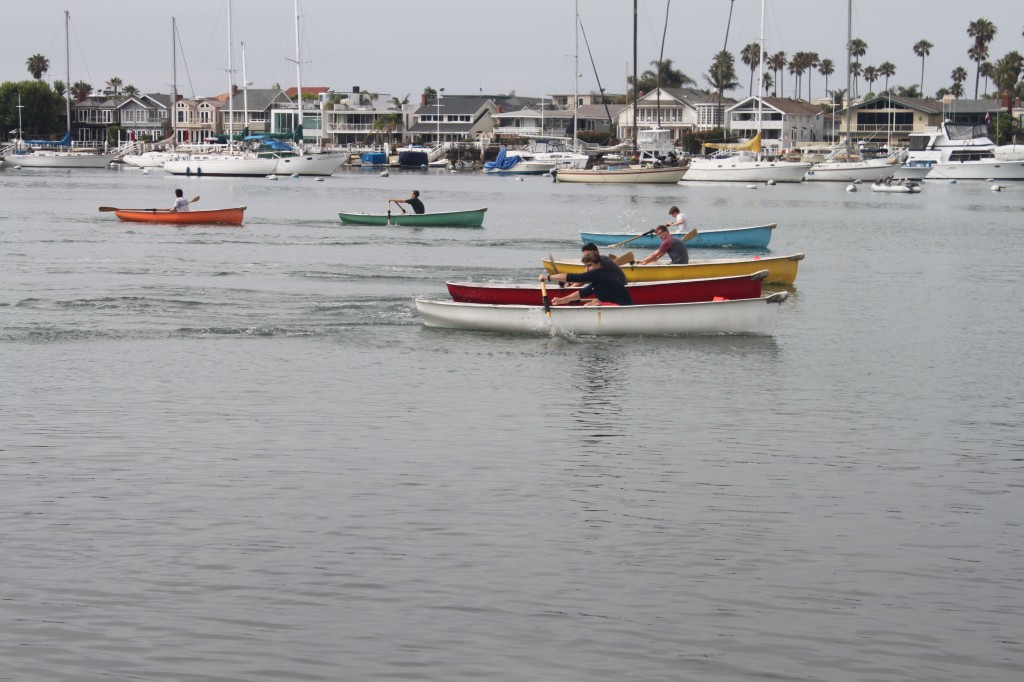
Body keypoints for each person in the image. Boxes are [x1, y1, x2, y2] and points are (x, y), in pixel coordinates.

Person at [539, 252, 633, 306]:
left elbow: (574, 277)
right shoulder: (599, 279)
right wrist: (561, 300)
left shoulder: (597, 274)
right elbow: (582, 293)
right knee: (594, 302)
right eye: (586, 266)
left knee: (592, 303)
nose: (587, 269)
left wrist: (548, 277)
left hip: (623, 307)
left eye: (589, 266)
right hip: (617, 306)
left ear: (598, 265)